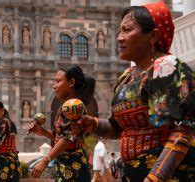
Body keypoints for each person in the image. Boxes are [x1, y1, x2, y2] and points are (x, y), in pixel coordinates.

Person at [71, 2, 195, 181]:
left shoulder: (165, 69)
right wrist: (95, 125)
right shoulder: (127, 77)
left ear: (153, 36)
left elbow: (181, 131)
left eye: (127, 30)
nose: (120, 38)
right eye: (119, 31)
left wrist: (155, 177)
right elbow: (120, 128)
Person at [29, 65, 95, 181]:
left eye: (58, 81)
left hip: (74, 170)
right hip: (66, 168)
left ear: (71, 82)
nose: (54, 86)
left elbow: (67, 138)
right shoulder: (65, 108)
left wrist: (44, 161)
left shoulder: (74, 106)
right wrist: (42, 131)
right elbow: (59, 136)